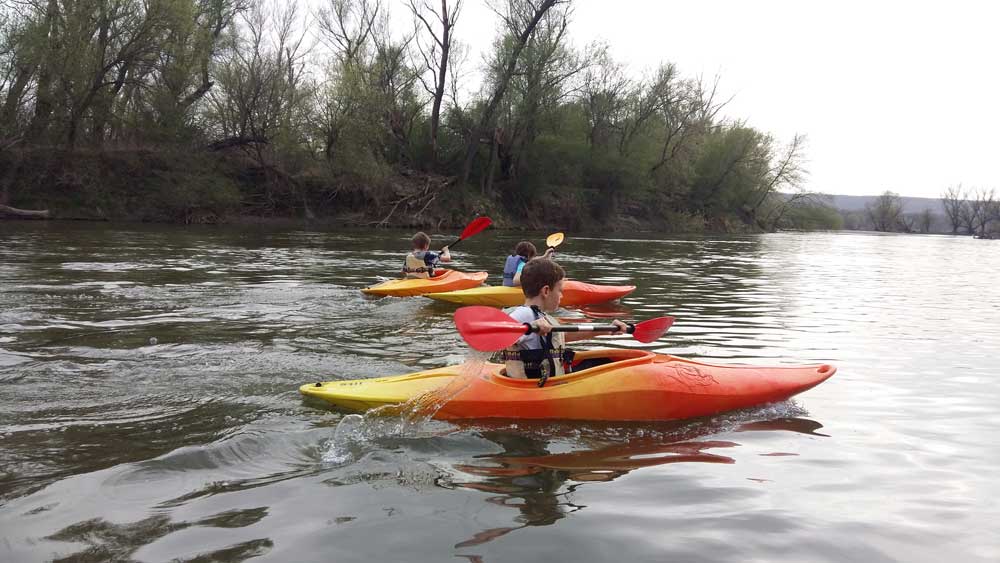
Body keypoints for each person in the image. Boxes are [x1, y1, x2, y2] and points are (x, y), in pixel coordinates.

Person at [500, 258, 627, 382]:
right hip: (535, 388)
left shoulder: (541, 315)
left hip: (550, 382)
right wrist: (529, 327)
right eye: (560, 291)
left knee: (599, 362)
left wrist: (607, 329)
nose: (561, 296)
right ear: (546, 291)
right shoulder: (524, 314)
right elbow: (500, 335)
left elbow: (563, 335)